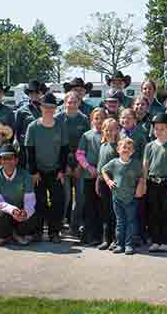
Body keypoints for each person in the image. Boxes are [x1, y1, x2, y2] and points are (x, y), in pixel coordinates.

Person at [25, 92, 68, 244]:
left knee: (58, 201)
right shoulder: (33, 126)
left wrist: (62, 171)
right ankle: (37, 231)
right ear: (41, 107)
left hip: (55, 171)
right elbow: (29, 150)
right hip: (38, 172)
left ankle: (54, 232)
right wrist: (34, 172)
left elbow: (64, 149)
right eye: (45, 107)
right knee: (39, 201)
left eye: (52, 107)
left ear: (55, 108)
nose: (49, 109)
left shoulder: (60, 126)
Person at [54, 91, 90, 237]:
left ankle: (74, 226)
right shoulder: (58, 118)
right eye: (69, 102)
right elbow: (55, 144)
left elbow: (87, 143)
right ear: (65, 103)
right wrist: (64, 165)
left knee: (80, 197)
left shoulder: (84, 119)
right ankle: (59, 225)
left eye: (75, 102)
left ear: (79, 103)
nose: (72, 104)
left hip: (80, 162)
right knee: (65, 196)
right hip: (63, 162)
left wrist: (80, 165)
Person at [101, 138, 146, 255]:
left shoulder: (136, 164)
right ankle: (120, 244)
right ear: (118, 149)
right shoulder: (114, 163)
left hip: (131, 198)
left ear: (132, 151)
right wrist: (108, 181)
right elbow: (103, 170)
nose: (126, 150)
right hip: (117, 197)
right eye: (123, 147)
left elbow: (141, 177)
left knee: (131, 221)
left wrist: (140, 188)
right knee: (120, 222)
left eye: (129, 148)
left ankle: (129, 245)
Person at [0, 143, 38, 246]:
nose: (8, 161)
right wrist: (13, 210)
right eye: (4, 158)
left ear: (16, 160)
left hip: (21, 210)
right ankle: (5, 236)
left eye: (11, 158)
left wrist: (25, 212)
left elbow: (30, 199)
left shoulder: (26, 176)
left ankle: (18, 234)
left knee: (33, 215)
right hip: (5, 211)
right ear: (0, 161)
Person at [143, 113, 167, 252]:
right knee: (153, 212)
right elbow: (145, 166)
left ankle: (166, 241)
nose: (158, 131)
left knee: (166, 212)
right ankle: (155, 240)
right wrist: (144, 183)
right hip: (152, 183)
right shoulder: (149, 146)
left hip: (166, 183)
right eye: (156, 128)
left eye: (162, 129)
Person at [77, 107, 107, 245]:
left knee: (102, 206)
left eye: (102, 118)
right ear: (92, 120)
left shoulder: (109, 135)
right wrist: (88, 167)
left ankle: (101, 236)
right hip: (89, 176)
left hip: (104, 177)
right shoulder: (86, 136)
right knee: (89, 206)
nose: (99, 121)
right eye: (96, 118)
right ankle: (89, 235)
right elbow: (80, 154)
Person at [96, 118, 120, 250]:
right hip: (102, 182)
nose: (109, 132)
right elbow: (100, 166)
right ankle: (106, 239)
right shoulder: (103, 146)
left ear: (117, 130)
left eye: (112, 129)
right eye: (106, 129)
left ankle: (116, 240)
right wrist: (97, 182)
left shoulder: (118, 146)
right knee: (105, 212)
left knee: (115, 212)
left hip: (114, 183)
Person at [14, 80, 48, 159]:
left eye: (37, 92)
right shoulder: (21, 111)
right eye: (31, 92)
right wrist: (16, 141)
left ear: (41, 93)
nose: (34, 94)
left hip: (42, 145)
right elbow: (17, 130)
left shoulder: (47, 109)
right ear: (28, 94)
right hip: (25, 147)